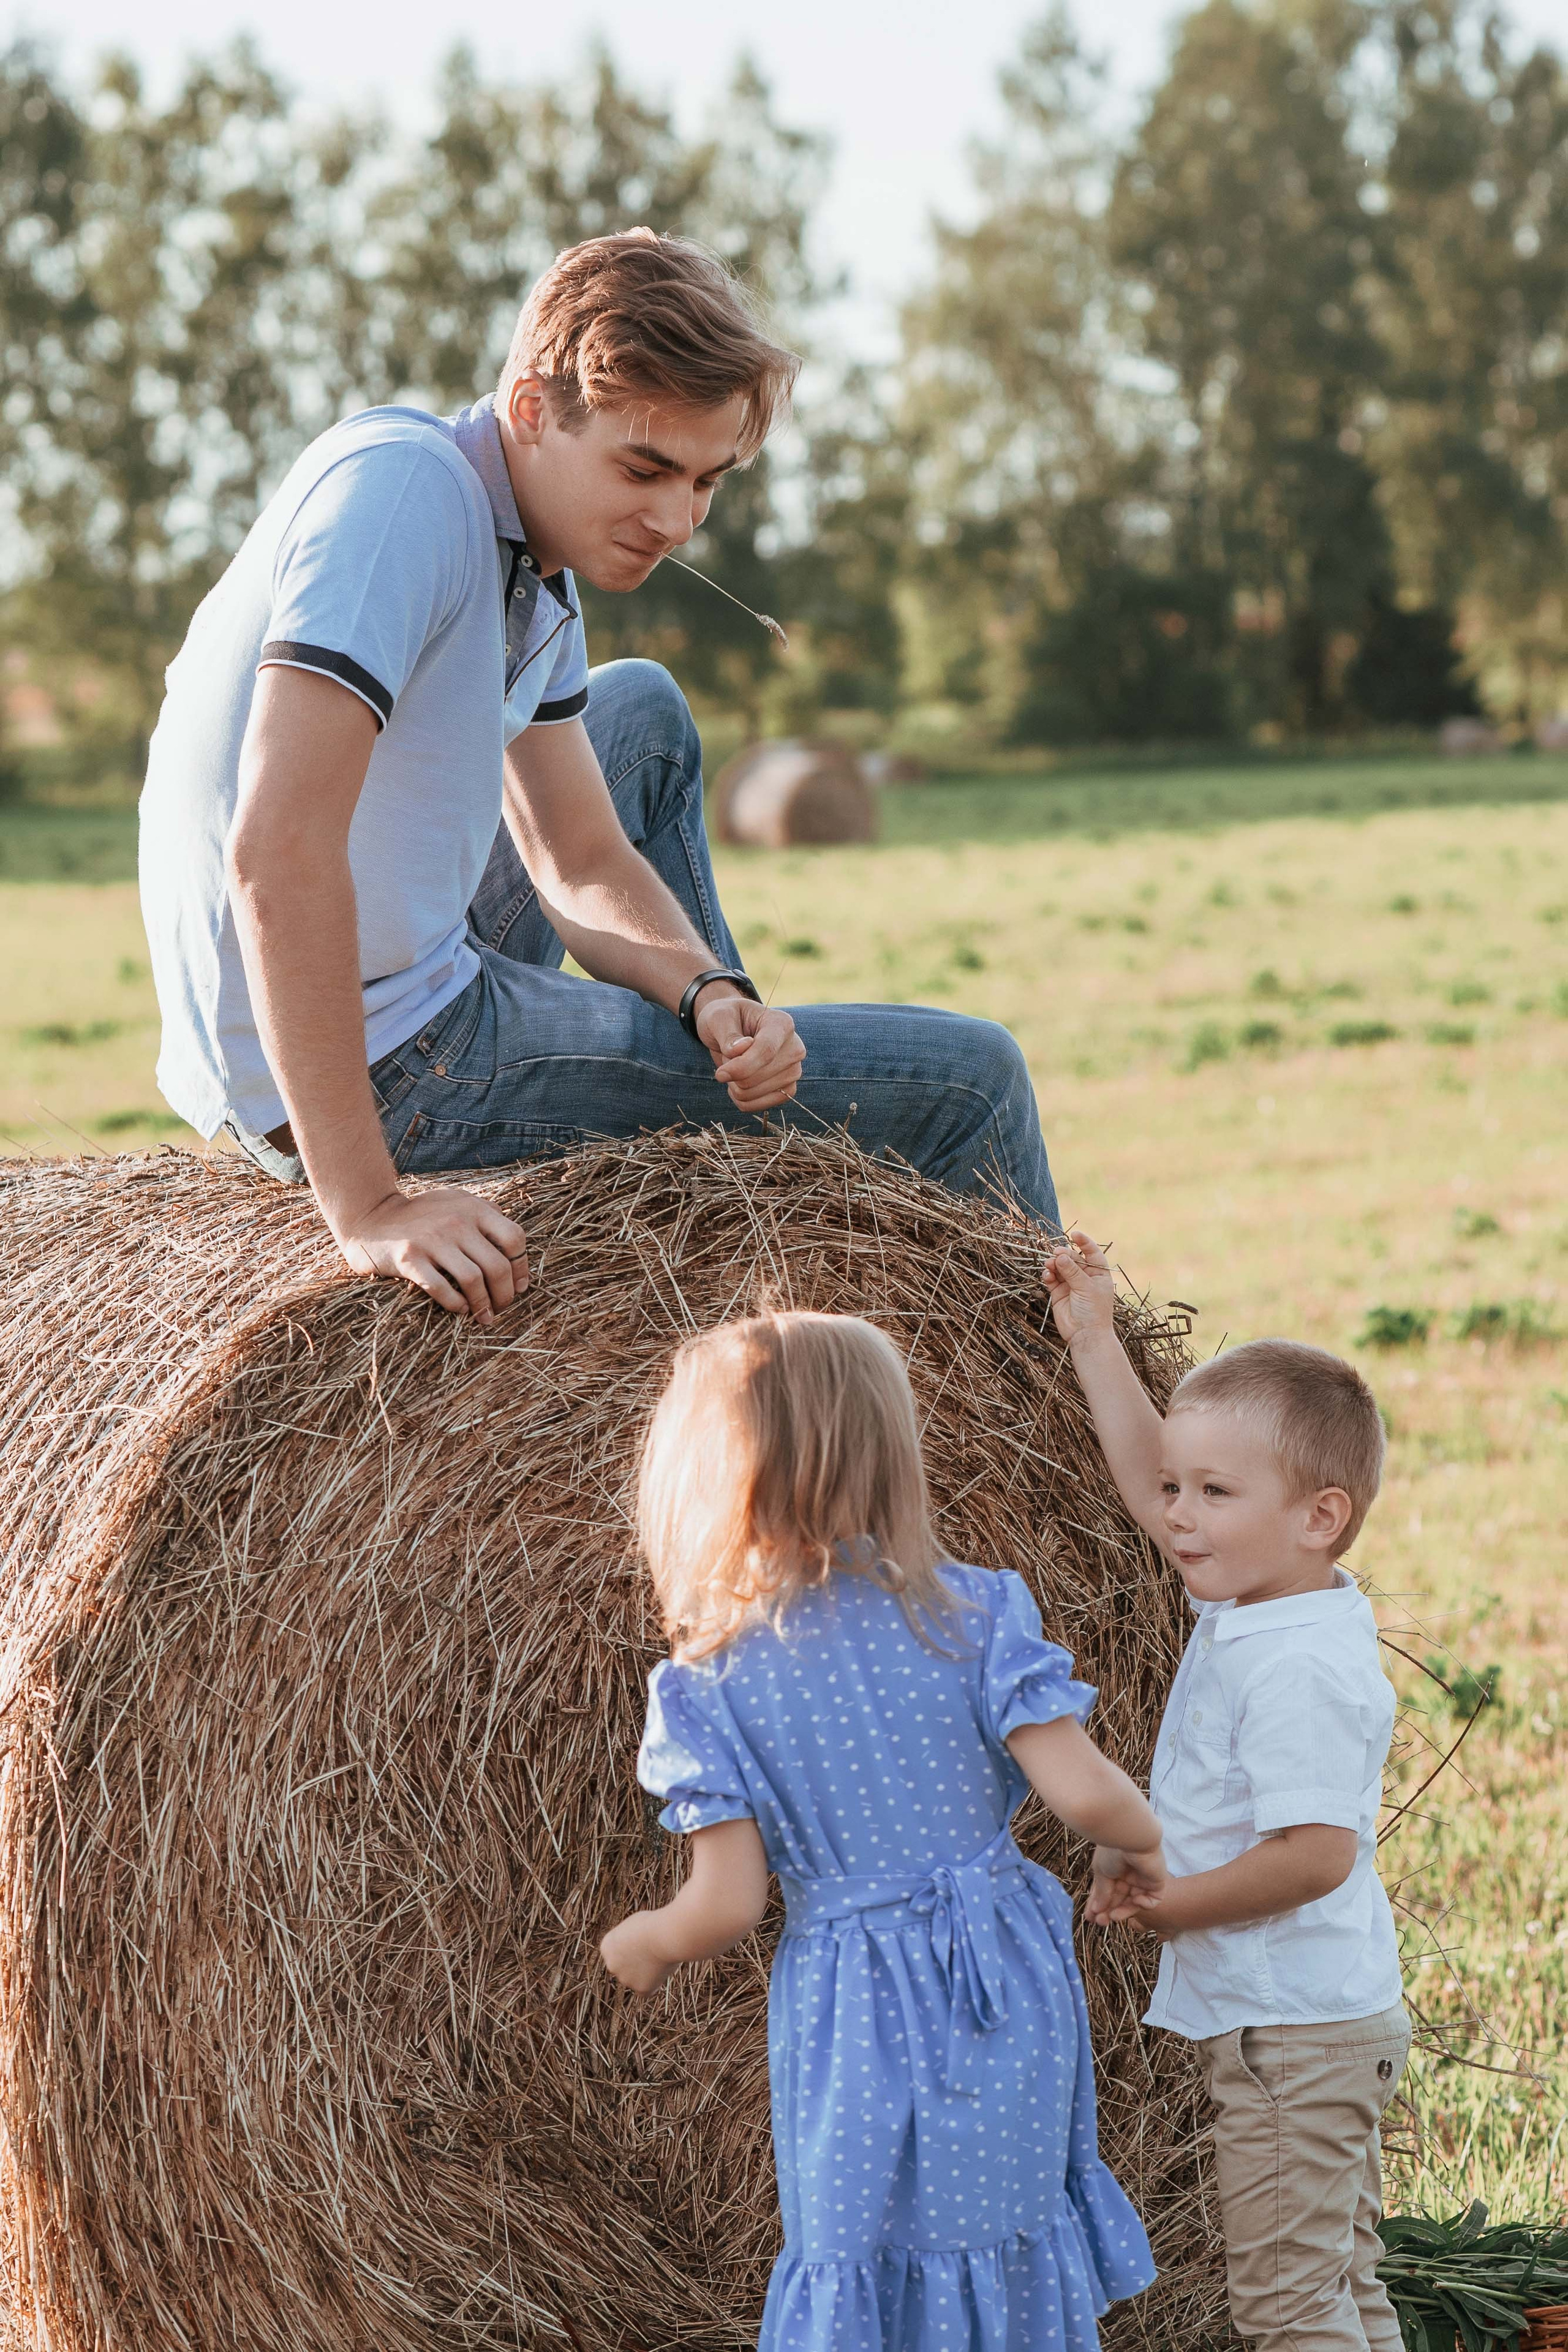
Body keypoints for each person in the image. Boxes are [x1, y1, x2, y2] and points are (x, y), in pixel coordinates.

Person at [138, 228, 1058, 1328]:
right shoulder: (404, 499)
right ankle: (1112, 1471)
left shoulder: (532, 563)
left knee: (643, 715)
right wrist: (372, 1203)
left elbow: (578, 855)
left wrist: (708, 989)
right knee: (974, 1082)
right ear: (534, 408)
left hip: (378, 979)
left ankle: (735, 1089)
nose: (677, 522)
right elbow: (276, 849)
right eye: (645, 468)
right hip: (370, 1061)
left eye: (707, 481)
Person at [598, 1310, 1160, 2352]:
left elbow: (726, 1906)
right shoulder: (978, 1612)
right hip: (1004, 1981)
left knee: (862, 2254)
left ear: (709, 1478)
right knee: (1007, 2230)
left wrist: (642, 1942)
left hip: (855, 2009)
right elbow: (1090, 1798)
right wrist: (1135, 1842)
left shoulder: (712, 1680)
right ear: (893, 1453)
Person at [1042, 1235, 1409, 2352]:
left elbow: (1314, 1855)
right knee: (1344, 2284)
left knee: (1292, 2311)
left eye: (1213, 1493)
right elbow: (1151, 1477)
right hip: (1312, 2022)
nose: (1178, 1517)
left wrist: (1172, 1907)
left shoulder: (1296, 1666)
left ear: (1320, 1517)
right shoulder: (1266, 1599)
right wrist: (1096, 1340)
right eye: (1179, 1492)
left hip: (1293, 2034)